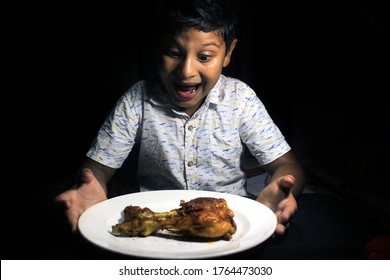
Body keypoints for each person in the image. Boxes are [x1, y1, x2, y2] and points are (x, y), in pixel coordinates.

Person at [55, 0, 305, 236]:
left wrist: (284, 189)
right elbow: (96, 169)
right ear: (157, 49)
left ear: (228, 53)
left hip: (229, 227)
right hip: (156, 232)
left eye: (204, 57)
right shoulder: (137, 100)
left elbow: (288, 166)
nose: (186, 71)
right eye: (173, 52)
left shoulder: (241, 100)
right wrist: (89, 187)